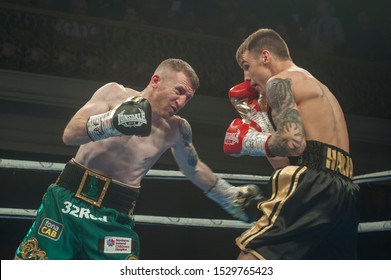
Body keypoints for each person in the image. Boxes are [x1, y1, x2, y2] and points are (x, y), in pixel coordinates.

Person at [14, 58, 263, 260]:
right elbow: (70, 134)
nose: (182, 102)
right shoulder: (114, 94)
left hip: (114, 215)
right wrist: (112, 123)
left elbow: (194, 168)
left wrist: (229, 196)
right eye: (179, 92)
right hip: (67, 201)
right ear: (156, 80)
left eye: (188, 97)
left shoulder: (176, 129)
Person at [223, 28, 360, 259]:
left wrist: (249, 141)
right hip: (346, 190)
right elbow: (287, 163)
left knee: (251, 259)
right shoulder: (317, 86)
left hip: (314, 182)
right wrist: (263, 123)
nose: (246, 78)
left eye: (247, 66)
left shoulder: (279, 82)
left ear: (265, 57)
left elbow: (293, 144)